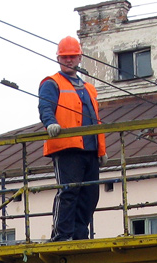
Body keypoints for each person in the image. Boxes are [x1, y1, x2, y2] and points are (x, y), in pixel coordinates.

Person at [39, 35, 106, 242]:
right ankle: (62, 235)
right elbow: (45, 107)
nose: (69, 60)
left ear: (79, 58)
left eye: (72, 56)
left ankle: (79, 235)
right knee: (69, 192)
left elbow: (95, 119)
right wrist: (50, 123)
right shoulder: (52, 83)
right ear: (58, 58)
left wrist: (101, 150)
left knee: (89, 195)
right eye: (65, 57)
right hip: (67, 148)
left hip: (89, 148)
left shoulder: (88, 88)